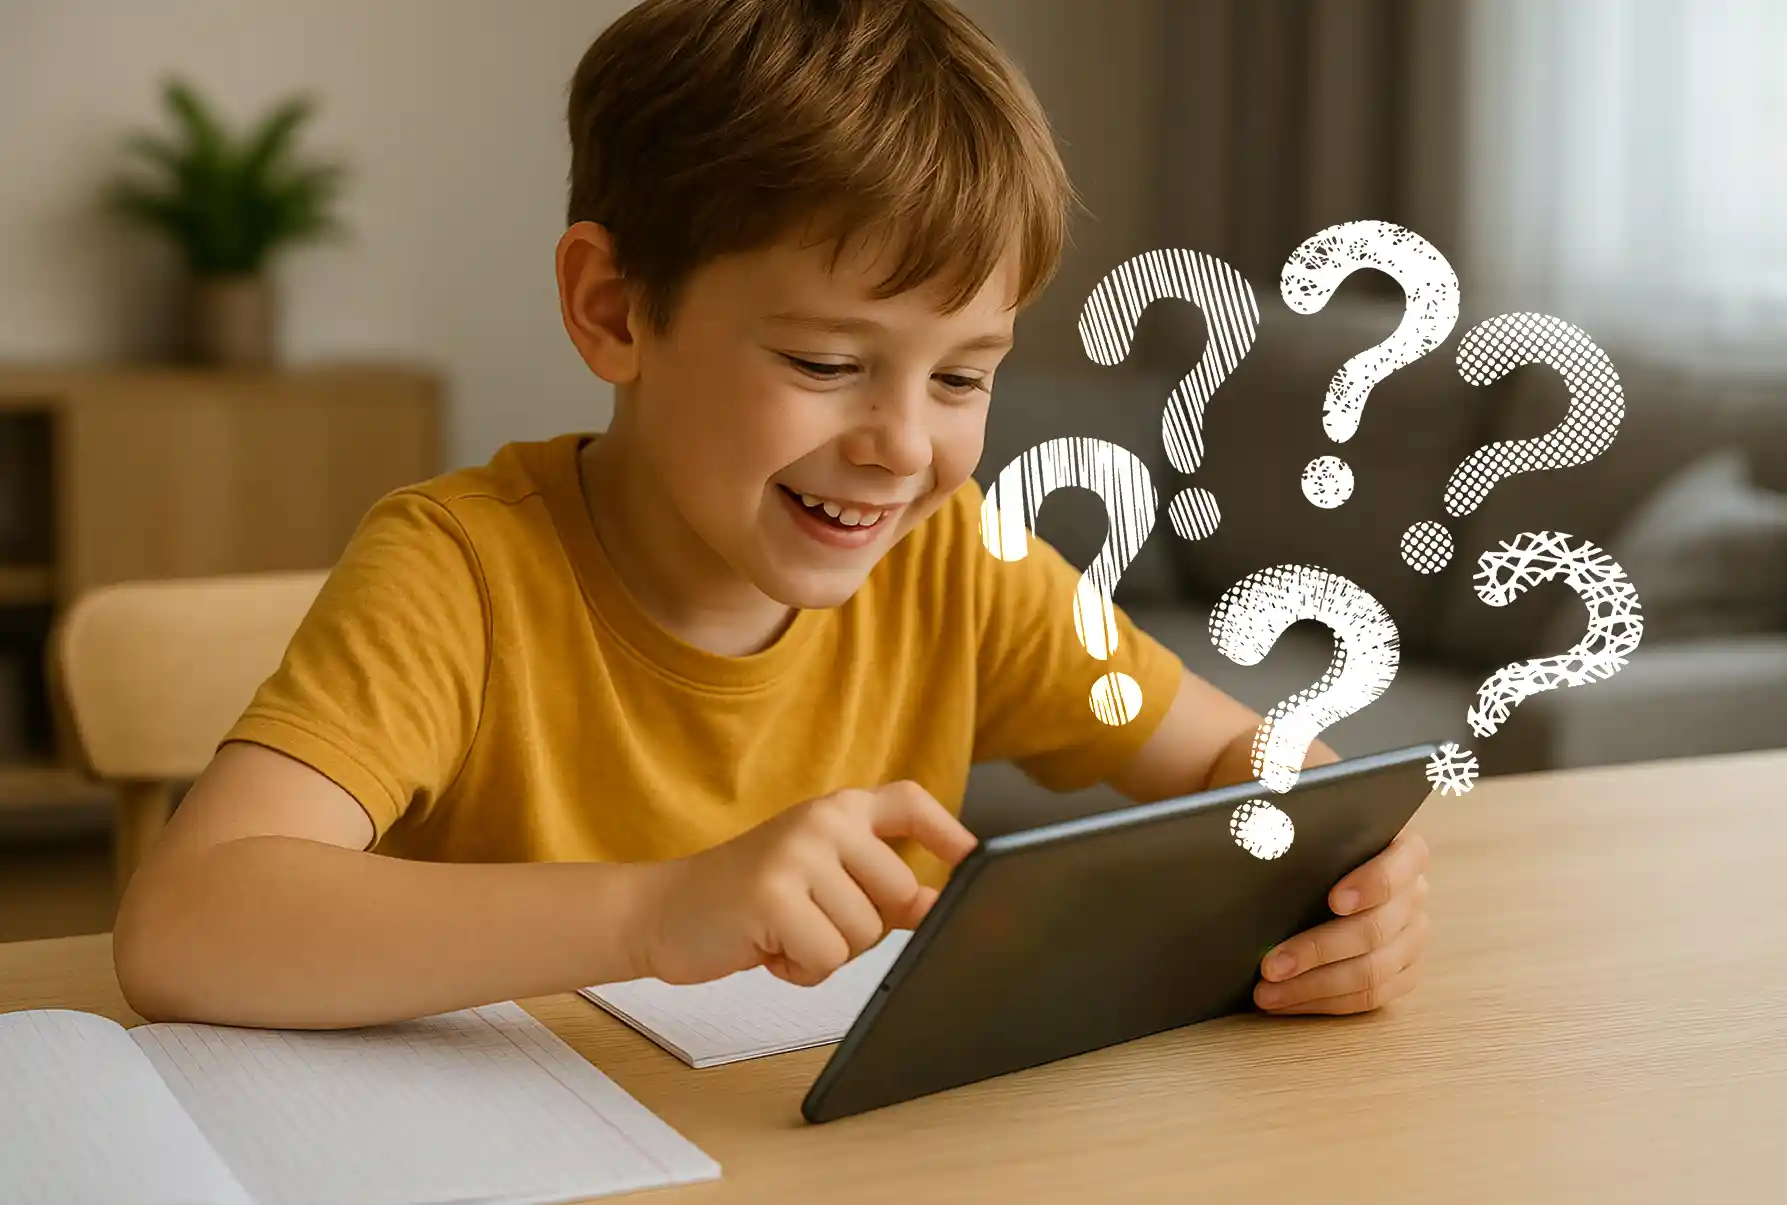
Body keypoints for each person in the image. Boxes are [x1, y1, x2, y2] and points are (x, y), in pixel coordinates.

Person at [112, 0, 1429, 1031]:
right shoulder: (458, 573)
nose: (903, 447)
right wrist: (653, 912)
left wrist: (1346, 889)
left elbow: (1250, 770)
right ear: (615, 312)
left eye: (964, 376)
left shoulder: (959, 565)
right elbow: (187, 929)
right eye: (824, 363)